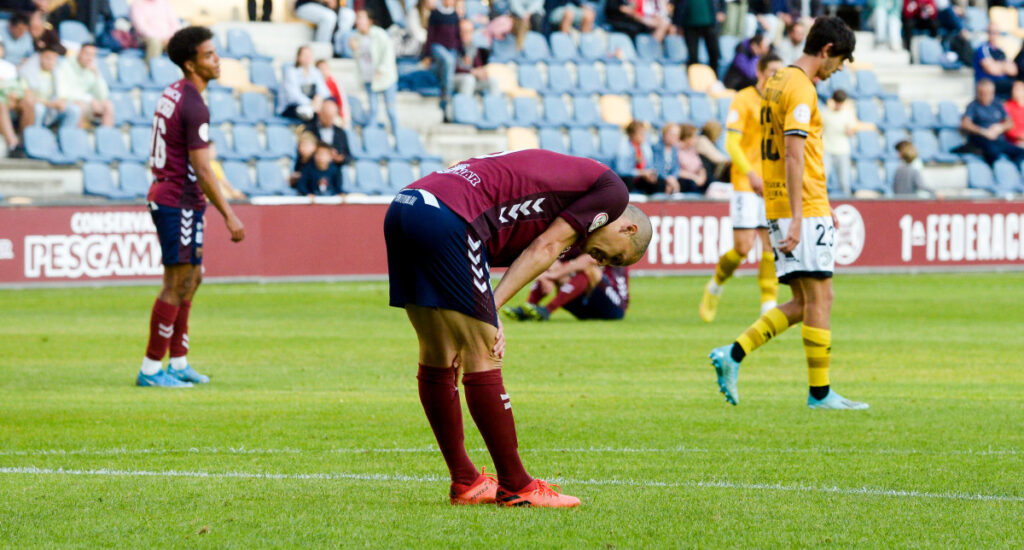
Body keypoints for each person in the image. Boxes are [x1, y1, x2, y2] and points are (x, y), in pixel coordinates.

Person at [384, 149, 652, 507]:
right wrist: (489, 313)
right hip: (451, 216)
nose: (602, 262)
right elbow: (546, 245)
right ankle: (517, 486)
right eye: (615, 256)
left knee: (438, 352)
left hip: (408, 204)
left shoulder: (570, 202)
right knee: (484, 354)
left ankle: (466, 480)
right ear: (627, 227)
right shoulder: (613, 191)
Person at [708, 16, 869, 410]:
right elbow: (795, 153)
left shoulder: (777, 80)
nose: (838, 70)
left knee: (803, 301)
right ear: (827, 50)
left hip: (783, 202)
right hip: (801, 206)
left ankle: (733, 354)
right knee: (821, 296)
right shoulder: (799, 86)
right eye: (841, 60)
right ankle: (820, 393)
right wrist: (801, 215)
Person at [136, 26, 245, 388]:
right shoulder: (194, 104)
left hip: (181, 198)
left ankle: (178, 361)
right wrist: (229, 214)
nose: (217, 60)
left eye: (216, 53)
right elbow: (201, 167)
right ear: (191, 64)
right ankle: (152, 369)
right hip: (177, 199)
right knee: (176, 282)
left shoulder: (176, 92)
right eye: (209, 55)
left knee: (192, 279)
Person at [701, 53, 783, 323]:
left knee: (771, 244)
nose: (775, 76)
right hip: (746, 182)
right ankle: (715, 285)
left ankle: (768, 304)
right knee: (743, 247)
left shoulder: (781, 102)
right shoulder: (743, 99)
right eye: (772, 71)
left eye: (779, 72)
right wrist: (750, 173)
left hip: (772, 181)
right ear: (759, 72)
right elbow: (732, 144)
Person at [501, 251, 630, 321]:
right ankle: (529, 308)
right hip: (586, 308)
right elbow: (551, 259)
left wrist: (549, 275)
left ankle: (547, 310)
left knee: (589, 269)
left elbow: (588, 260)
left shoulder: (611, 244)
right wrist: (548, 274)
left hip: (615, 308)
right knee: (554, 264)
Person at [350, 9, 400, 130]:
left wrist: (381, 69)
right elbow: (359, 59)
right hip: (369, 77)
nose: (359, 21)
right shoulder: (356, 37)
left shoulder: (379, 34)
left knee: (391, 109)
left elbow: (388, 53)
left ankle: (397, 133)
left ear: (369, 21)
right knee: (373, 109)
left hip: (385, 78)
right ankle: (372, 134)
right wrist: (354, 49)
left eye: (361, 18)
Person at [821, 89, 874, 195]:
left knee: (844, 181)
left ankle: (846, 199)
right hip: (827, 150)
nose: (838, 106)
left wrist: (850, 131)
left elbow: (852, 130)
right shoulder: (824, 113)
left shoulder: (847, 113)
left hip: (842, 151)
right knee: (823, 178)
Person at [961, 79, 1024, 166]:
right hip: (982, 140)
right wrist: (983, 132)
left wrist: (1000, 127)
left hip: (999, 140)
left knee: (1020, 153)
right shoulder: (973, 105)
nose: (985, 96)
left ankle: (1014, 173)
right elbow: (965, 124)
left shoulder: (997, 104)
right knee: (993, 152)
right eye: (982, 93)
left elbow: (1010, 123)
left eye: (988, 93)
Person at [56, 43, 115, 128]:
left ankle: (107, 137)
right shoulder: (66, 65)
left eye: (93, 55)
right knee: (80, 106)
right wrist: (90, 99)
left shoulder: (93, 69)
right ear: (80, 53)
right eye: (87, 54)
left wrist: (97, 75)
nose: (89, 58)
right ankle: (80, 137)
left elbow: (103, 95)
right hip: (69, 103)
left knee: (108, 105)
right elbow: (63, 92)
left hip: (87, 103)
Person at [22, 45, 81, 128]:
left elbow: (65, 93)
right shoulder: (28, 72)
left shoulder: (58, 72)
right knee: (38, 109)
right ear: (40, 57)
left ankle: (65, 136)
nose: (51, 61)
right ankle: (36, 135)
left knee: (75, 110)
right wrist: (50, 104)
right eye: (48, 58)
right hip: (40, 105)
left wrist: (62, 101)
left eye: (54, 59)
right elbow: (29, 98)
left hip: (53, 106)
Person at [277, 45, 329, 121]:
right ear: (298, 57)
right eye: (305, 55)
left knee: (328, 107)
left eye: (310, 55)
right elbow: (294, 97)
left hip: (312, 106)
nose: (308, 57)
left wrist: (319, 98)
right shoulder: (291, 72)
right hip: (292, 107)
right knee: (313, 115)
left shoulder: (315, 72)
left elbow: (324, 91)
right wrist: (311, 103)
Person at [0, 41, 35, 155]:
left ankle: (25, 142)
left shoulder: (9, 67)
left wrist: (15, 96)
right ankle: (13, 144)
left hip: (12, 99)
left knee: (28, 103)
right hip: (2, 100)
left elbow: (17, 86)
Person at [615, 120, 669, 194]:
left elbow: (650, 166)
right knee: (628, 180)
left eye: (644, 134)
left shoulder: (645, 147)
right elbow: (622, 171)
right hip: (630, 177)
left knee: (659, 182)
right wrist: (640, 173)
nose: (644, 137)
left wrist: (651, 174)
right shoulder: (623, 148)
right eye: (641, 134)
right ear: (632, 135)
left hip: (642, 177)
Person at [674, 0, 724, 71]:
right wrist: (676, 23)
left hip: (710, 23)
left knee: (714, 53)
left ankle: (714, 77)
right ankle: (694, 78)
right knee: (693, 56)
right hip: (689, 23)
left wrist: (722, 10)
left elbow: (722, 3)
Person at [454, 19, 496, 96]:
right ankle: (465, 106)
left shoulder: (473, 46)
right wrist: (472, 72)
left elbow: (478, 65)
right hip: (454, 78)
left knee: (493, 81)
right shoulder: (453, 46)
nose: (466, 34)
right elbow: (454, 68)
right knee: (469, 79)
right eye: (464, 31)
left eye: (470, 31)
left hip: (471, 77)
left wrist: (482, 72)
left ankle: (493, 106)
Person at [303, 98, 351, 166]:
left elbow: (348, 156)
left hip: (334, 171)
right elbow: (304, 152)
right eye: (326, 116)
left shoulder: (340, 133)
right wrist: (322, 154)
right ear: (320, 113)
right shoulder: (309, 129)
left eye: (331, 117)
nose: (328, 120)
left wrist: (340, 158)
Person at [973, 24, 1016, 98]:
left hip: (1002, 82)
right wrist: (1003, 66)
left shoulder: (1000, 50)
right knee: (1016, 87)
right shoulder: (983, 48)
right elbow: (991, 69)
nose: (993, 35)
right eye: (991, 32)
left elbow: (1013, 70)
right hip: (988, 83)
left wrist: (997, 65)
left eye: (996, 32)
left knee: (1018, 86)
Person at [315, 58, 350, 127]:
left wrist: (342, 115)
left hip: (334, 112)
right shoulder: (315, 83)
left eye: (325, 69)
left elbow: (342, 100)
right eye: (321, 69)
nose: (323, 71)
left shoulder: (334, 82)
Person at [676, 123, 707, 193]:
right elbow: (676, 170)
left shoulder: (692, 150)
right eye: (694, 137)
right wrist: (694, 177)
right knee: (691, 184)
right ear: (687, 138)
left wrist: (702, 178)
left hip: (696, 179)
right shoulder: (676, 150)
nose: (696, 139)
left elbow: (700, 167)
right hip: (686, 180)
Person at [653, 122, 682, 193]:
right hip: (661, 178)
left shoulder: (675, 150)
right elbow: (657, 167)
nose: (675, 137)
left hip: (671, 179)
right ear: (665, 134)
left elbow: (676, 167)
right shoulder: (656, 148)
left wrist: (673, 178)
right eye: (673, 135)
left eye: (677, 135)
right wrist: (667, 179)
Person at [1004, 80, 1024, 147]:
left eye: (1017, 89)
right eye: (1013, 88)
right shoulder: (1007, 106)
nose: (1013, 91)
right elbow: (1006, 127)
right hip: (1014, 143)